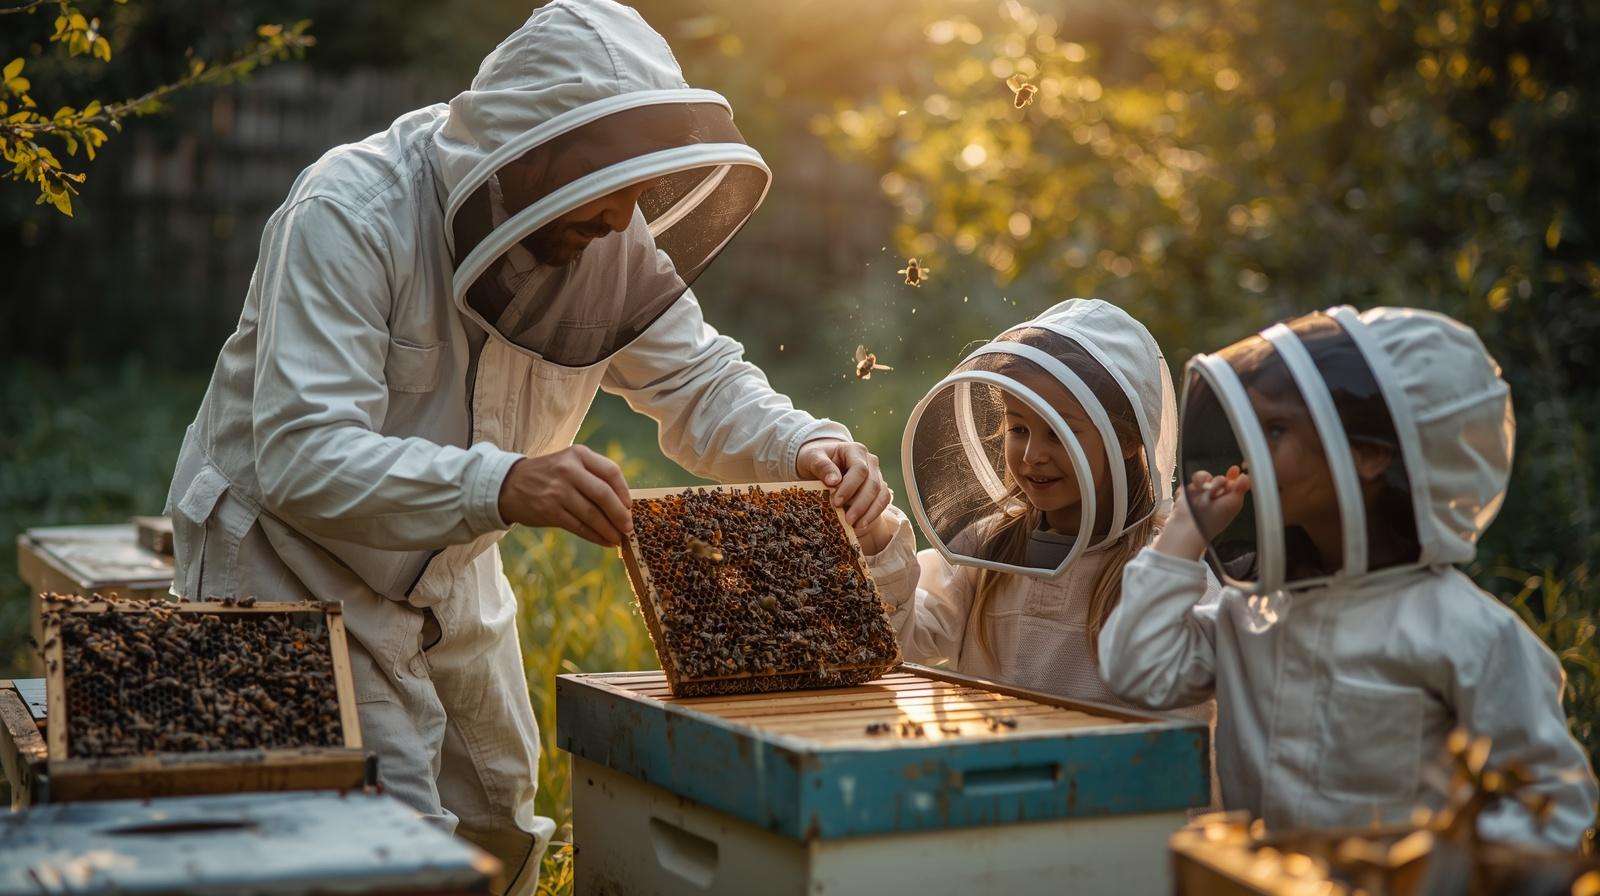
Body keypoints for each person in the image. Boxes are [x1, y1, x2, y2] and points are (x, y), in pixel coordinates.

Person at [161, 2, 890, 892]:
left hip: (451, 564)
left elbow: (700, 379)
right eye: (606, 189)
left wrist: (803, 444)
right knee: (386, 852)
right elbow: (302, 453)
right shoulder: (349, 211)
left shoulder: (603, 228)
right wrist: (504, 485)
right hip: (289, 566)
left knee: (498, 824)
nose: (625, 217)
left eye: (635, 190)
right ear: (534, 156)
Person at [1098, 305, 1598, 848]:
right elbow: (1134, 669)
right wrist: (1182, 536)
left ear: (1365, 455)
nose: (1251, 453)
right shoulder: (1252, 614)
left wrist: (1432, 877)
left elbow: (1553, 807)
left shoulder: (1470, 634)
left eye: (1276, 429)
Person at [857, 299, 1217, 719]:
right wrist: (876, 535)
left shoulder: (1165, 566)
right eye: (1018, 428)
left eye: (1058, 433)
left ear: (1122, 439)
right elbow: (904, 635)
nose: (1032, 455)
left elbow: (1190, 709)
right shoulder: (985, 547)